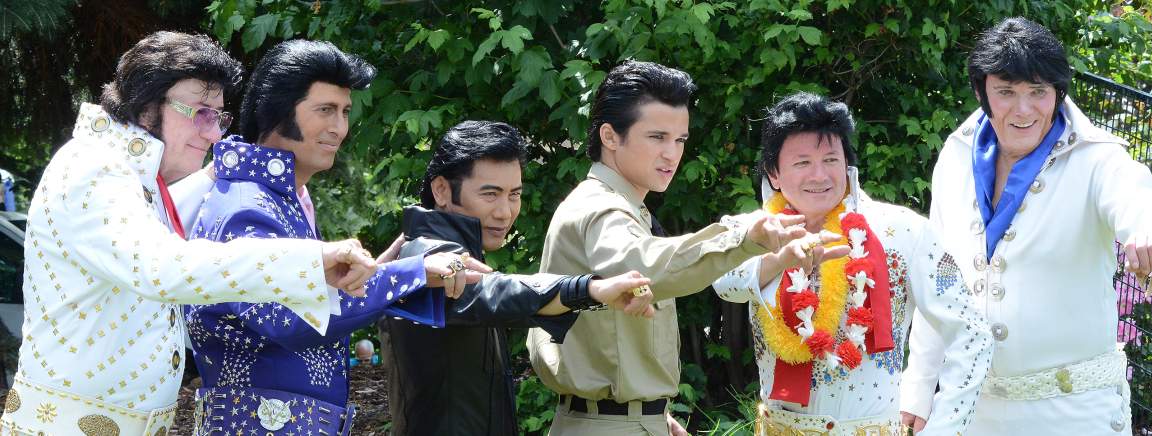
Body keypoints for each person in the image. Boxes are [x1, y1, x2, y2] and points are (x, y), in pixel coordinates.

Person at [0, 32, 376, 435]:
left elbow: (166, 220)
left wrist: (231, 166)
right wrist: (311, 260)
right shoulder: (96, 168)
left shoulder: (139, 180)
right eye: (200, 113)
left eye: (219, 117)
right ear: (147, 105)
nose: (214, 134)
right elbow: (165, 267)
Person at [182, 40, 491, 436]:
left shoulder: (280, 197)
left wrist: (380, 271)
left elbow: (307, 297)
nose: (339, 128)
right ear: (275, 110)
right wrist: (410, 275)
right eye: (325, 110)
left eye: (345, 112)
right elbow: (287, 318)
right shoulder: (248, 205)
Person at [901, 17, 1152, 435]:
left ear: (1058, 93)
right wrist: (919, 388)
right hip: (971, 413)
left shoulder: (1099, 160)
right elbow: (939, 282)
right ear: (983, 92)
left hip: (1076, 415)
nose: (1023, 110)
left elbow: (1142, 205)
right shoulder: (956, 154)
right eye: (1006, 92)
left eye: (1038, 92)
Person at [526, 60, 824, 436]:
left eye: (680, 140)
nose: (672, 154)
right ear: (609, 136)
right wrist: (744, 238)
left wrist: (649, 415)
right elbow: (644, 267)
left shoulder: (622, 205)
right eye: (657, 137)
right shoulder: (602, 209)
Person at [710, 91, 993, 435]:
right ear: (774, 173)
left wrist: (945, 428)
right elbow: (724, 282)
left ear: (847, 163)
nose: (820, 175)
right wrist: (778, 259)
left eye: (830, 159)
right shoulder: (752, 231)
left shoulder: (902, 230)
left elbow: (971, 330)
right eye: (802, 163)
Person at [380, 119, 658, 436]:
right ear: (442, 189)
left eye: (514, 194)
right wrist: (589, 288)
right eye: (490, 194)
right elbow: (494, 291)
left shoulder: (437, 250)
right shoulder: (427, 255)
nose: (505, 211)